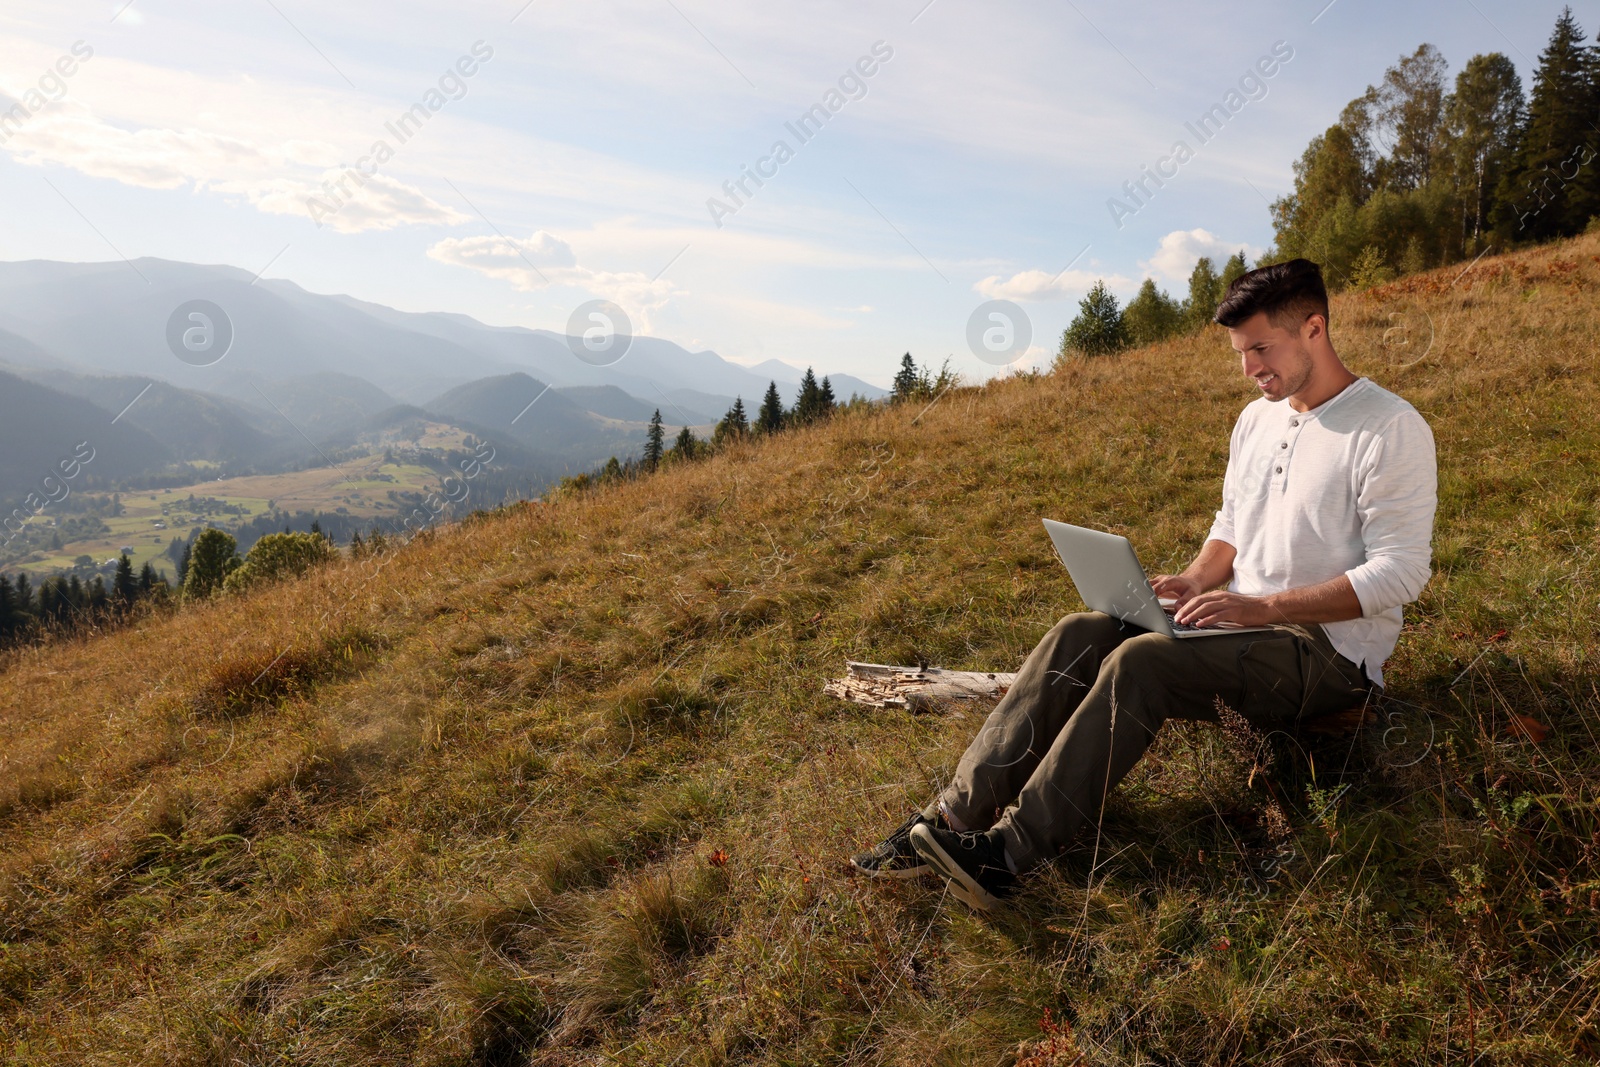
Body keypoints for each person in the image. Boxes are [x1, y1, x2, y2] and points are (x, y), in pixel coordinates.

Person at [850, 258, 1438, 911]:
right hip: (1236, 623)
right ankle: (950, 822)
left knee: (1142, 664)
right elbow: (1232, 529)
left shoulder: (1387, 426)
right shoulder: (1257, 420)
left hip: (1327, 652)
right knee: (1082, 631)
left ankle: (1009, 856)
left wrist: (1260, 605)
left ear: (1315, 329)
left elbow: (1402, 570)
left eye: (1260, 349)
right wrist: (1191, 582)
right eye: (1241, 353)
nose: (1249, 368)